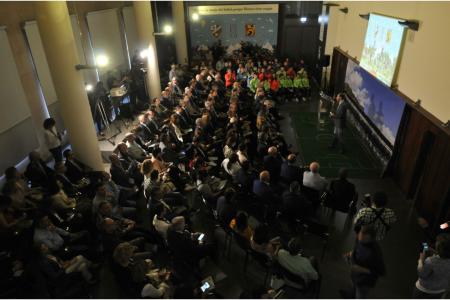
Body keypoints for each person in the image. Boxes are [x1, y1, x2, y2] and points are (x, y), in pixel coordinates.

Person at [342, 225, 385, 299]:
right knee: (353, 288)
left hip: (365, 282)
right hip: (355, 276)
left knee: (360, 295)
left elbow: (381, 271)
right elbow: (357, 249)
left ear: (368, 237)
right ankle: (350, 295)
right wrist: (349, 254)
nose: (358, 235)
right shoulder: (360, 240)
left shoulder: (375, 252)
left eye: (361, 234)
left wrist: (361, 269)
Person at [413, 233, 450, 298]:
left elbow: (421, 274)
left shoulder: (431, 261)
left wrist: (421, 260)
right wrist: (434, 251)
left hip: (424, 290)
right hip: (440, 291)